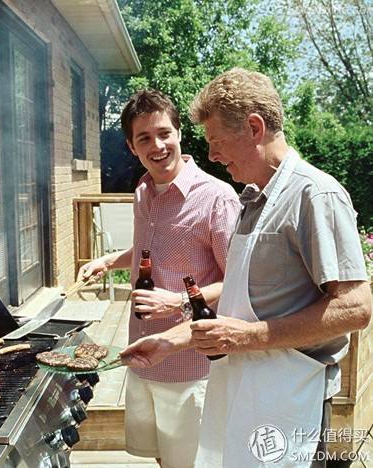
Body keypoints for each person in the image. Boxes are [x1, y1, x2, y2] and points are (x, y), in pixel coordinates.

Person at [120, 68, 372, 467]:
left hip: (291, 396)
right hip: (244, 388)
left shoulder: (315, 195)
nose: (214, 155)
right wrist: (174, 341)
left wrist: (247, 337)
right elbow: (236, 301)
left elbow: (356, 308)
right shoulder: (254, 200)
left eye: (217, 142)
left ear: (254, 127)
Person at [78, 89, 240, 468]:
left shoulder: (217, 198)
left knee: (194, 462)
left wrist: (180, 301)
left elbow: (238, 281)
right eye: (144, 138)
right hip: (144, 355)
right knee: (162, 459)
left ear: (180, 133)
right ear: (132, 147)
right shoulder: (142, 192)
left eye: (164, 133)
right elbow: (148, 247)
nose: (158, 145)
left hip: (192, 365)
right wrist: (108, 260)